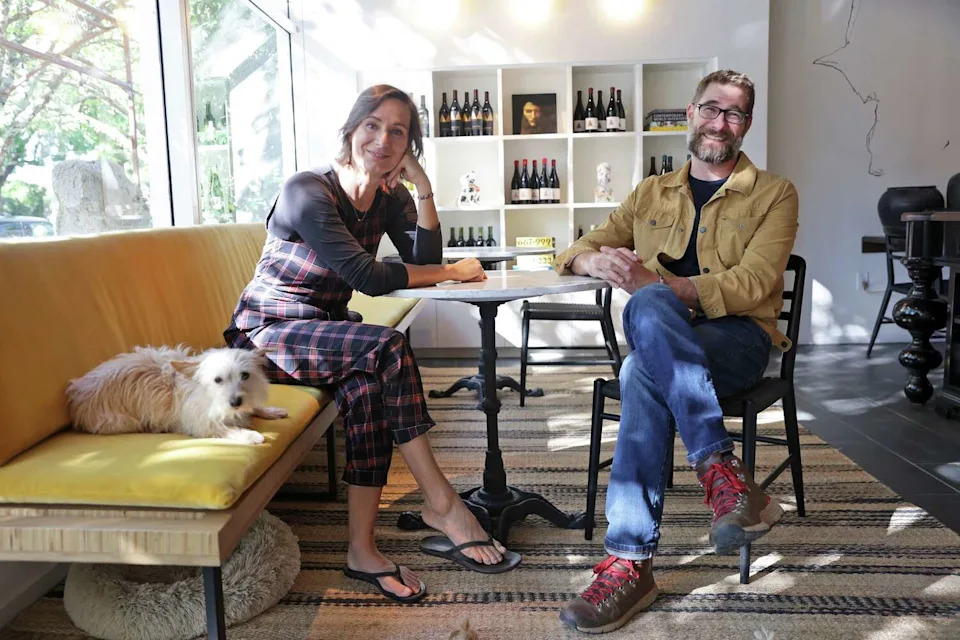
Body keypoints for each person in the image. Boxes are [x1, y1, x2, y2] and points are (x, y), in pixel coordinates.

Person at [224, 85, 519, 604]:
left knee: (366, 391)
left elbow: (423, 252)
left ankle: (361, 548)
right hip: (267, 336)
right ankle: (442, 502)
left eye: (398, 131)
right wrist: (452, 271)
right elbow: (369, 276)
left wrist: (422, 185)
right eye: (373, 126)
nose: (383, 140)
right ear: (352, 129)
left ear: (408, 144)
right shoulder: (307, 191)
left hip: (327, 333)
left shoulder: (390, 196)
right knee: (387, 347)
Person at [553, 70, 798, 633]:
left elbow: (757, 281)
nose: (721, 122)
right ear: (690, 114)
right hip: (667, 344)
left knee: (644, 339)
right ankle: (721, 470)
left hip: (737, 339)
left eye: (734, 114)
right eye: (712, 109)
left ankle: (629, 563)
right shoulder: (650, 192)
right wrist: (594, 261)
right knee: (645, 356)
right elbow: (581, 246)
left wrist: (665, 290)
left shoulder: (774, 193)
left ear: (747, 125)